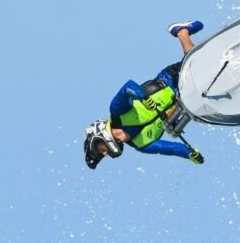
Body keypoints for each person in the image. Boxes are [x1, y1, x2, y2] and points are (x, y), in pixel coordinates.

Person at [84, 20, 206, 169]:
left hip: (170, 81)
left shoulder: (117, 112)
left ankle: (181, 32)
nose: (105, 154)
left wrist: (143, 97)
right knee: (206, 76)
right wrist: (189, 154)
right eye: (103, 156)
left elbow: (128, 87)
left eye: (100, 150)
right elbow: (171, 149)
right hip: (186, 101)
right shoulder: (142, 145)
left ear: (98, 135)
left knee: (198, 64)